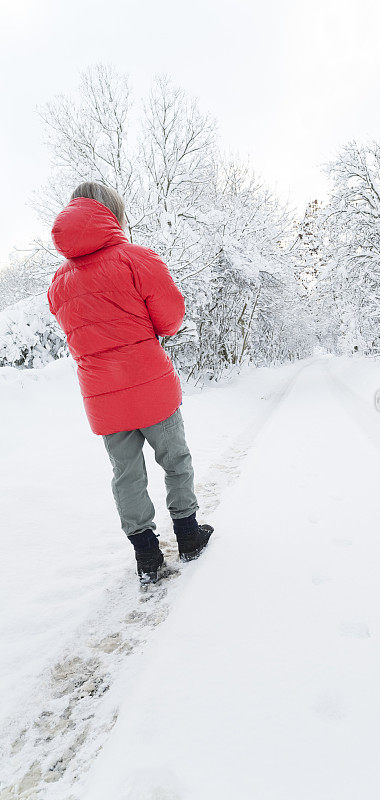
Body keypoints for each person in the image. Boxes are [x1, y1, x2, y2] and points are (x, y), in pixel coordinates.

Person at [47, 182, 213, 583]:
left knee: (127, 475)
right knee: (175, 460)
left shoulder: (58, 282)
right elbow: (171, 320)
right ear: (111, 214)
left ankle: (147, 556)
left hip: (102, 396)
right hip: (151, 384)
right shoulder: (136, 259)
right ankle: (189, 536)